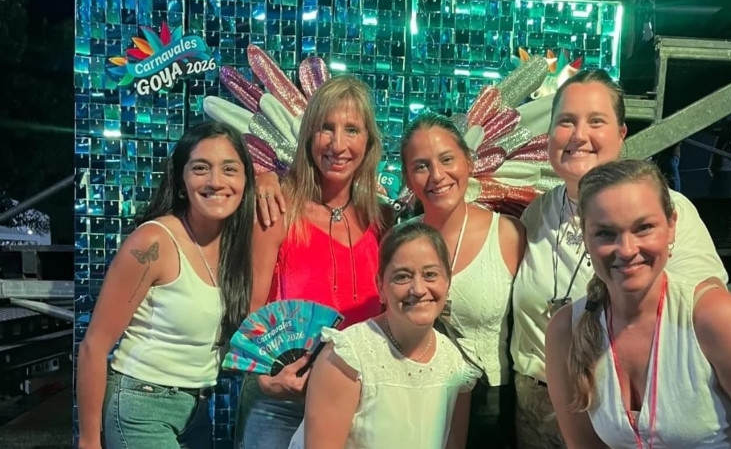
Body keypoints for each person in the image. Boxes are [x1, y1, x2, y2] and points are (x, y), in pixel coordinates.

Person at [509, 69, 731, 449]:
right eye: (566, 122)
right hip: (551, 405)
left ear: (621, 133)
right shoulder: (535, 214)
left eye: (596, 121)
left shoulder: (671, 209)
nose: (579, 135)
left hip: (655, 406)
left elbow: (707, 309)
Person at [545, 159, 731, 448]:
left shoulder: (712, 315)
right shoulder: (566, 331)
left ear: (671, 226)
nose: (627, 249)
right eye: (606, 233)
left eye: (644, 228)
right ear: (585, 236)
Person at [76, 122, 256, 449]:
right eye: (200, 168)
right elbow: (94, 345)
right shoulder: (153, 243)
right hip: (141, 405)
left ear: (246, 180)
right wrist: (89, 440)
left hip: (197, 411)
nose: (216, 181)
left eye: (230, 169)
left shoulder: (236, 245)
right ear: (181, 181)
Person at [238, 74, 388, 449]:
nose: (338, 144)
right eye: (326, 128)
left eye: (351, 129)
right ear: (308, 136)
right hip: (283, 403)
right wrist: (265, 379)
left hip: (360, 401)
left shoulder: (381, 219)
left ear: (369, 142)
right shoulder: (277, 208)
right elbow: (251, 308)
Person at [290, 221, 482, 449]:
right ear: (380, 286)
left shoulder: (455, 364)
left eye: (430, 275)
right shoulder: (346, 358)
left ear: (448, 281)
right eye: (403, 276)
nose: (419, 289)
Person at [400, 113, 525, 448]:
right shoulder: (399, 241)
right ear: (408, 177)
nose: (437, 175)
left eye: (446, 160)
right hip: (413, 397)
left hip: (490, 406)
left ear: (468, 162)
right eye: (421, 166)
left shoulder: (508, 233)